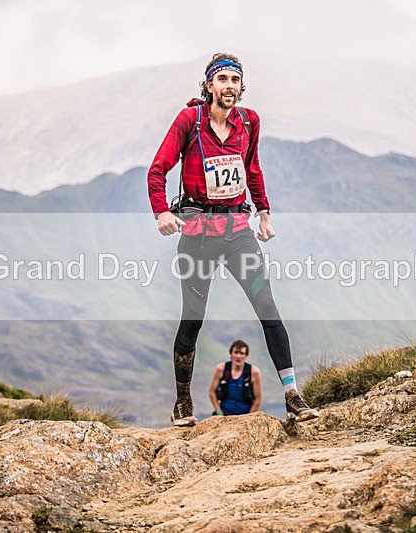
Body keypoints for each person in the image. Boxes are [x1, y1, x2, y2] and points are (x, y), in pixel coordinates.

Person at [147, 52, 319, 426]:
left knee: (267, 307)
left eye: (234, 80)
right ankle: (182, 403)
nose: (229, 86)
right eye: (221, 79)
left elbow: (252, 167)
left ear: (242, 87)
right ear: (209, 86)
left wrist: (264, 212)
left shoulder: (249, 121)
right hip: (197, 234)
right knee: (193, 318)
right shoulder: (189, 121)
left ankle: (292, 395)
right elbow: (157, 169)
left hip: (238, 232)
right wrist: (161, 211)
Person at [209, 340, 261, 416]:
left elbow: (258, 399)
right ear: (231, 354)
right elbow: (212, 392)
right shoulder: (221, 369)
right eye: (236, 352)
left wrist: (249, 417)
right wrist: (219, 412)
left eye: (242, 353)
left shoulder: (254, 372)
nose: (238, 356)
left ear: (246, 355)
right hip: (224, 414)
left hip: (245, 415)